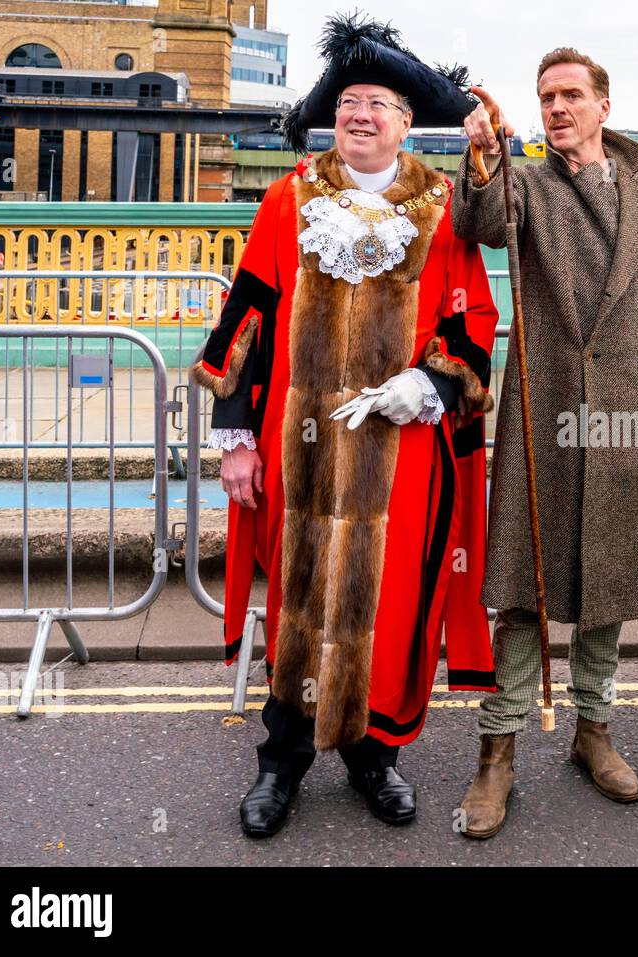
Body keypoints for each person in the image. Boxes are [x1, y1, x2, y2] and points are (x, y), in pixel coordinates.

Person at [192, 14, 498, 838]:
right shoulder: (290, 198)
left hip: (402, 456)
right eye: (350, 102)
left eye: (381, 103)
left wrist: (425, 383)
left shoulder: (441, 209)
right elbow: (245, 317)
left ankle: (374, 756)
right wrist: (237, 436)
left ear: (406, 123)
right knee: (300, 603)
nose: (361, 114)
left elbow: (472, 325)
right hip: (301, 454)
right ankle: (282, 760)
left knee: (389, 604)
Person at [450, 47, 638, 839]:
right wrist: (484, 152)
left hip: (633, 405)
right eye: (545, 97)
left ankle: (594, 729)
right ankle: (498, 751)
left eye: (569, 96)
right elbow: (478, 221)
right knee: (526, 581)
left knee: (610, 576)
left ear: (603, 106)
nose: (556, 108)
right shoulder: (525, 181)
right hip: (547, 402)